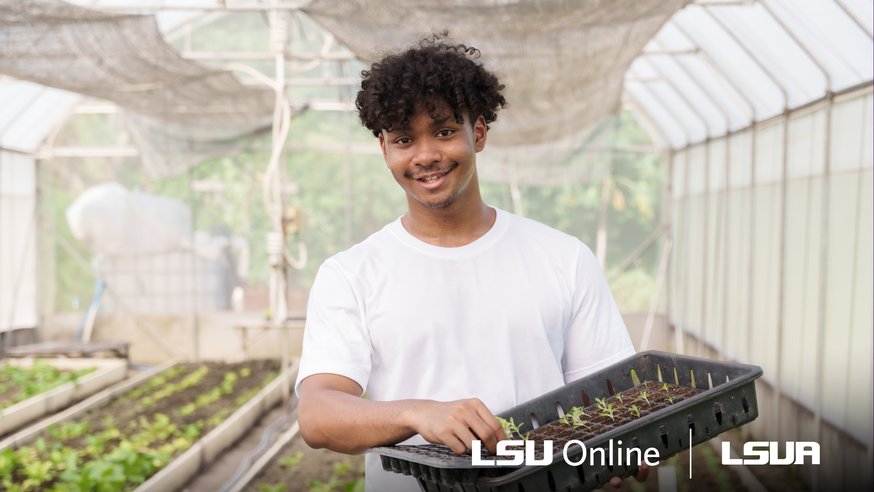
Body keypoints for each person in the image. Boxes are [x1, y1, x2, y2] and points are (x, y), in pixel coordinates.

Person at [295, 35, 638, 491]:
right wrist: (416, 412)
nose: (426, 156)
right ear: (384, 150)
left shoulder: (562, 258)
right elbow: (317, 415)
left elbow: (609, 401)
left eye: (443, 131)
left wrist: (617, 455)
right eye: (403, 139)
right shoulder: (352, 274)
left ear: (477, 132)